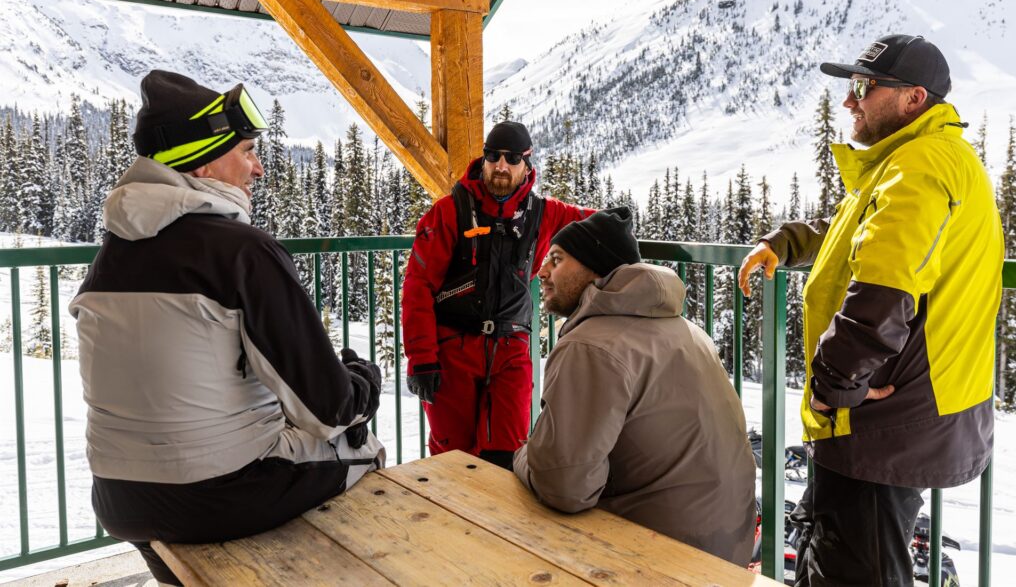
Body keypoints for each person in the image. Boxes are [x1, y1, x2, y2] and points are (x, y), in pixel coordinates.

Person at [70, 70, 385, 585]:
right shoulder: (245, 254)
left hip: (117, 497)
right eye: (246, 151)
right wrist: (363, 382)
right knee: (359, 449)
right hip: (213, 494)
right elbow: (327, 412)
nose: (257, 168)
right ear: (204, 160)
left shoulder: (110, 257)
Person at [738, 34, 1003, 586]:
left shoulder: (924, 164)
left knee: (854, 571)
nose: (848, 101)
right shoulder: (911, 160)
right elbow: (859, 232)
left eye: (863, 87)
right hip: (885, 415)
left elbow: (885, 286)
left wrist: (833, 386)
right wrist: (787, 242)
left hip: (884, 420)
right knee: (833, 552)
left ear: (913, 98)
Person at [513, 208, 757, 566]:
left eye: (557, 259)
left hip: (664, 555)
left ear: (596, 269)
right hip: (724, 544)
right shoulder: (686, 330)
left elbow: (563, 487)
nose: (543, 271)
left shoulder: (591, 346)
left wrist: (522, 456)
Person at [401, 121, 593, 469]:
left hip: (511, 351)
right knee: (451, 460)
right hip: (453, 350)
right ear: (484, 159)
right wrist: (422, 359)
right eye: (493, 156)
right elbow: (418, 286)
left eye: (512, 158)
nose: (501, 165)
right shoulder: (449, 212)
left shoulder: (543, 214)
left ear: (526, 165)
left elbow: (593, 226)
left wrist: (623, 229)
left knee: (508, 456)